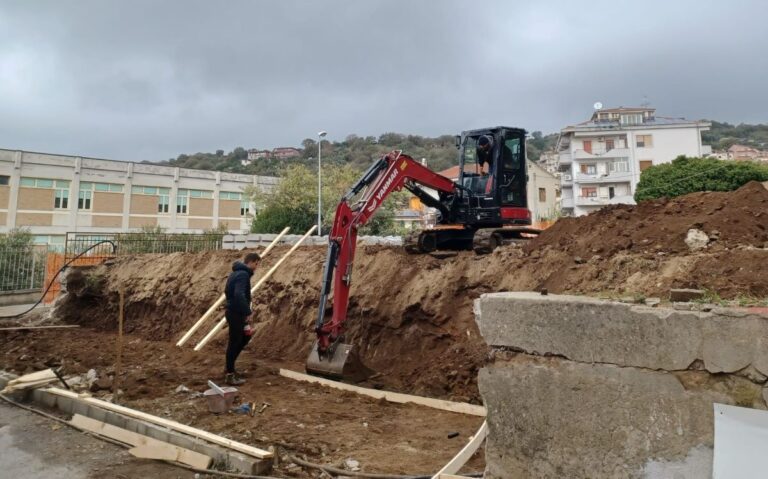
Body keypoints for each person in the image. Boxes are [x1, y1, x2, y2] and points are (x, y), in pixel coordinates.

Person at [223, 252, 261, 385]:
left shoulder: (236, 273)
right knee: (235, 342)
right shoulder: (243, 274)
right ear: (251, 262)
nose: (256, 267)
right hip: (236, 313)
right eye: (256, 264)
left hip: (235, 312)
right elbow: (238, 294)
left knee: (245, 336)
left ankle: (230, 367)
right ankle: (229, 374)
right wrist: (247, 311)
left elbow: (227, 291)